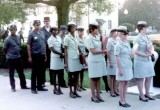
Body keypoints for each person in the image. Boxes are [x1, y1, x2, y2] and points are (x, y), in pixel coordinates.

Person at [3, 25, 30, 92]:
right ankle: (13, 87)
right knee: (11, 73)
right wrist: (8, 54)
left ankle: (23, 85)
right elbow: (4, 49)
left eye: (14, 29)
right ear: (10, 30)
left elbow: (19, 45)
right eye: (11, 30)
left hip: (18, 58)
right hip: (11, 59)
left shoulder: (18, 37)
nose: (12, 31)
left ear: (16, 30)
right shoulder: (7, 39)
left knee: (21, 72)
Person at [133, 21, 155, 101]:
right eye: (145, 27)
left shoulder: (147, 36)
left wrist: (150, 51)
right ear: (141, 28)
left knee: (149, 77)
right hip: (140, 60)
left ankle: (147, 94)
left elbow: (151, 45)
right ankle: (141, 95)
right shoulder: (137, 38)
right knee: (140, 78)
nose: (146, 28)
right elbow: (135, 50)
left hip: (148, 60)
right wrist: (145, 55)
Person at [85, 21, 107, 103]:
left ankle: (98, 95)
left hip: (99, 60)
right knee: (93, 78)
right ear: (92, 29)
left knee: (98, 78)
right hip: (93, 61)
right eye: (96, 28)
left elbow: (100, 47)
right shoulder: (88, 38)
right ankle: (93, 96)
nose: (97, 30)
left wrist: (103, 48)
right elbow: (93, 51)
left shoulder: (97, 37)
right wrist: (103, 51)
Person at [27, 20, 48, 94]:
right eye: (36, 25)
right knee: (35, 72)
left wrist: (45, 54)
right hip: (35, 55)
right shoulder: (31, 34)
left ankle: (39, 86)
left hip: (42, 55)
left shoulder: (42, 33)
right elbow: (29, 45)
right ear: (33, 25)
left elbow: (44, 44)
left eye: (38, 25)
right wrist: (29, 56)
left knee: (41, 71)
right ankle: (33, 88)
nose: (37, 26)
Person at [114, 26, 133, 107]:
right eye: (123, 34)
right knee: (122, 83)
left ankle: (124, 99)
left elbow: (129, 54)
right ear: (119, 34)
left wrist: (133, 54)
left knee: (126, 83)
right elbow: (117, 57)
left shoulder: (127, 43)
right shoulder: (118, 44)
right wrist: (120, 69)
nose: (125, 36)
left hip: (128, 66)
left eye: (126, 34)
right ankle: (121, 101)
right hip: (122, 67)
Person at [64, 22, 82, 98]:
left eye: (75, 27)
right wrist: (66, 62)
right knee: (70, 76)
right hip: (70, 58)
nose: (75, 28)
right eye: (73, 27)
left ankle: (75, 91)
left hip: (77, 57)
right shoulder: (67, 37)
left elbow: (78, 46)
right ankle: (70, 92)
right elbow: (65, 50)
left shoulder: (76, 36)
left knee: (77, 75)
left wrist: (81, 53)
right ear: (70, 28)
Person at [48, 26, 64, 95]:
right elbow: (52, 49)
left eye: (56, 30)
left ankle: (59, 88)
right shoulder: (50, 39)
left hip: (60, 58)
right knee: (54, 73)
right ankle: (55, 88)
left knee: (60, 73)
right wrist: (60, 53)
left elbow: (61, 46)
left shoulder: (59, 38)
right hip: (54, 58)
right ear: (51, 31)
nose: (55, 31)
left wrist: (63, 53)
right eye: (54, 30)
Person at [107, 28, 119, 97]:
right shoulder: (110, 41)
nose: (115, 33)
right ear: (111, 33)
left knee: (115, 76)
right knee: (112, 77)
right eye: (114, 32)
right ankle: (111, 91)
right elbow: (108, 52)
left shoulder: (117, 40)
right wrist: (110, 61)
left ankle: (115, 90)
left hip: (116, 60)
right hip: (112, 60)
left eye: (116, 32)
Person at [41, 17, 52, 86]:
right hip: (44, 49)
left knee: (52, 66)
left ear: (50, 21)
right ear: (44, 22)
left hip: (52, 49)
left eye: (48, 21)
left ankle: (52, 80)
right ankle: (43, 81)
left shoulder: (53, 29)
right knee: (43, 66)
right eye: (45, 21)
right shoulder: (41, 30)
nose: (47, 22)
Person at [76, 26, 87, 91]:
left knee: (82, 72)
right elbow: (77, 47)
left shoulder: (84, 39)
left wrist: (86, 54)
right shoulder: (76, 39)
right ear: (78, 32)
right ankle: (77, 85)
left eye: (82, 31)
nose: (81, 33)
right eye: (80, 31)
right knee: (78, 71)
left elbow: (85, 47)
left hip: (84, 56)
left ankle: (81, 85)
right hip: (78, 56)